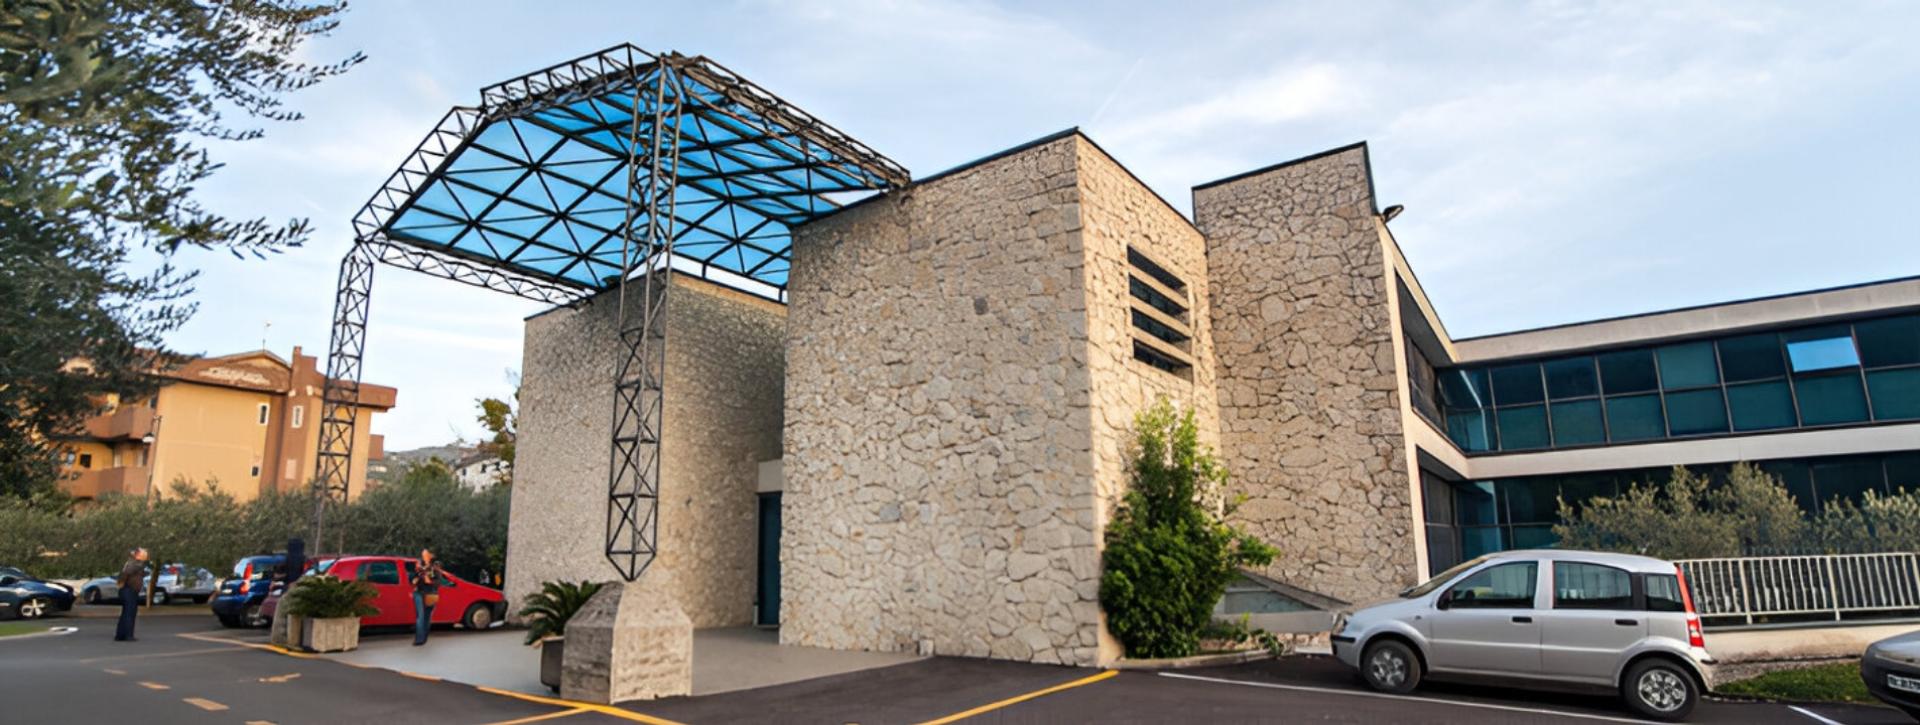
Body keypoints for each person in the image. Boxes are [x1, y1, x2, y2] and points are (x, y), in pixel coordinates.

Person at [409, 548, 444, 646]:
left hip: (430, 594)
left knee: (427, 617)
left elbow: (436, 583)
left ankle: (424, 637)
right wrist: (416, 577)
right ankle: (419, 639)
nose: (424, 556)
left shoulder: (435, 568)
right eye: (423, 554)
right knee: (420, 616)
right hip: (419, 593)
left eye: (426, 554)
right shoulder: (419, 566)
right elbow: (412, 579)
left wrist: (427, 577)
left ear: (431, 556)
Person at [114, 548, 148, 642]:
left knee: (126, 613)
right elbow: (125, 573)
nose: (146, 556)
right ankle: (128, 635)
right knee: (130, 613)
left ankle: (120, 635)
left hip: (130, 589)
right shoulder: (135, 563)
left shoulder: (135, 563)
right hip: (129, 590)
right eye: (144, 554)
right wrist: (121, 583)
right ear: (138, 555)